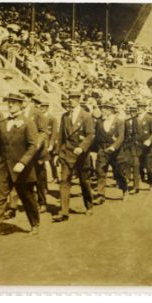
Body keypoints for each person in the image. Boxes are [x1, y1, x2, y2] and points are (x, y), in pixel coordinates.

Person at [0, 93, 40, 243]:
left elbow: (33, 145)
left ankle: (34, 224)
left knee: (27, 197)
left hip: (22, 169)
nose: (10, 105)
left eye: (14, 103)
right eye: (9, 102)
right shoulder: (2, 123)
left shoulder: (28, 122)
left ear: (21, 105)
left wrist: (23, 162)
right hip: (3, 168)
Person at [53, 90, 95, 222]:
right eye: (69, 98)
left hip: (80, 155)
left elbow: (90, 135)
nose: (70, 101)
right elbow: (61, 137)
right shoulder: (65, 116)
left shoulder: (86, 116)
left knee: (84, 182)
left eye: (73, 98)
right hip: (66, 153)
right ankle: (64, 211)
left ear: (78, 100)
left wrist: (82, 147)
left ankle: (88, 205)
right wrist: (57, 153)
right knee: (64, 181)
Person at [93, 101, 128, 205]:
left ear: (111, 110)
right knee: (100, 171)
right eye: (103, 108)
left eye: (106, 108)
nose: (103, 110)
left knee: (119, 173)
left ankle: (124, 190)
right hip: (103, 151)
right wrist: (95, 150)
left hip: (116, 152)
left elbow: (121, 137)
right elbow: (97, 137)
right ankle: (100, 195)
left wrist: (114, 147)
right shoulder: (99, 122)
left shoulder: (119, 122)